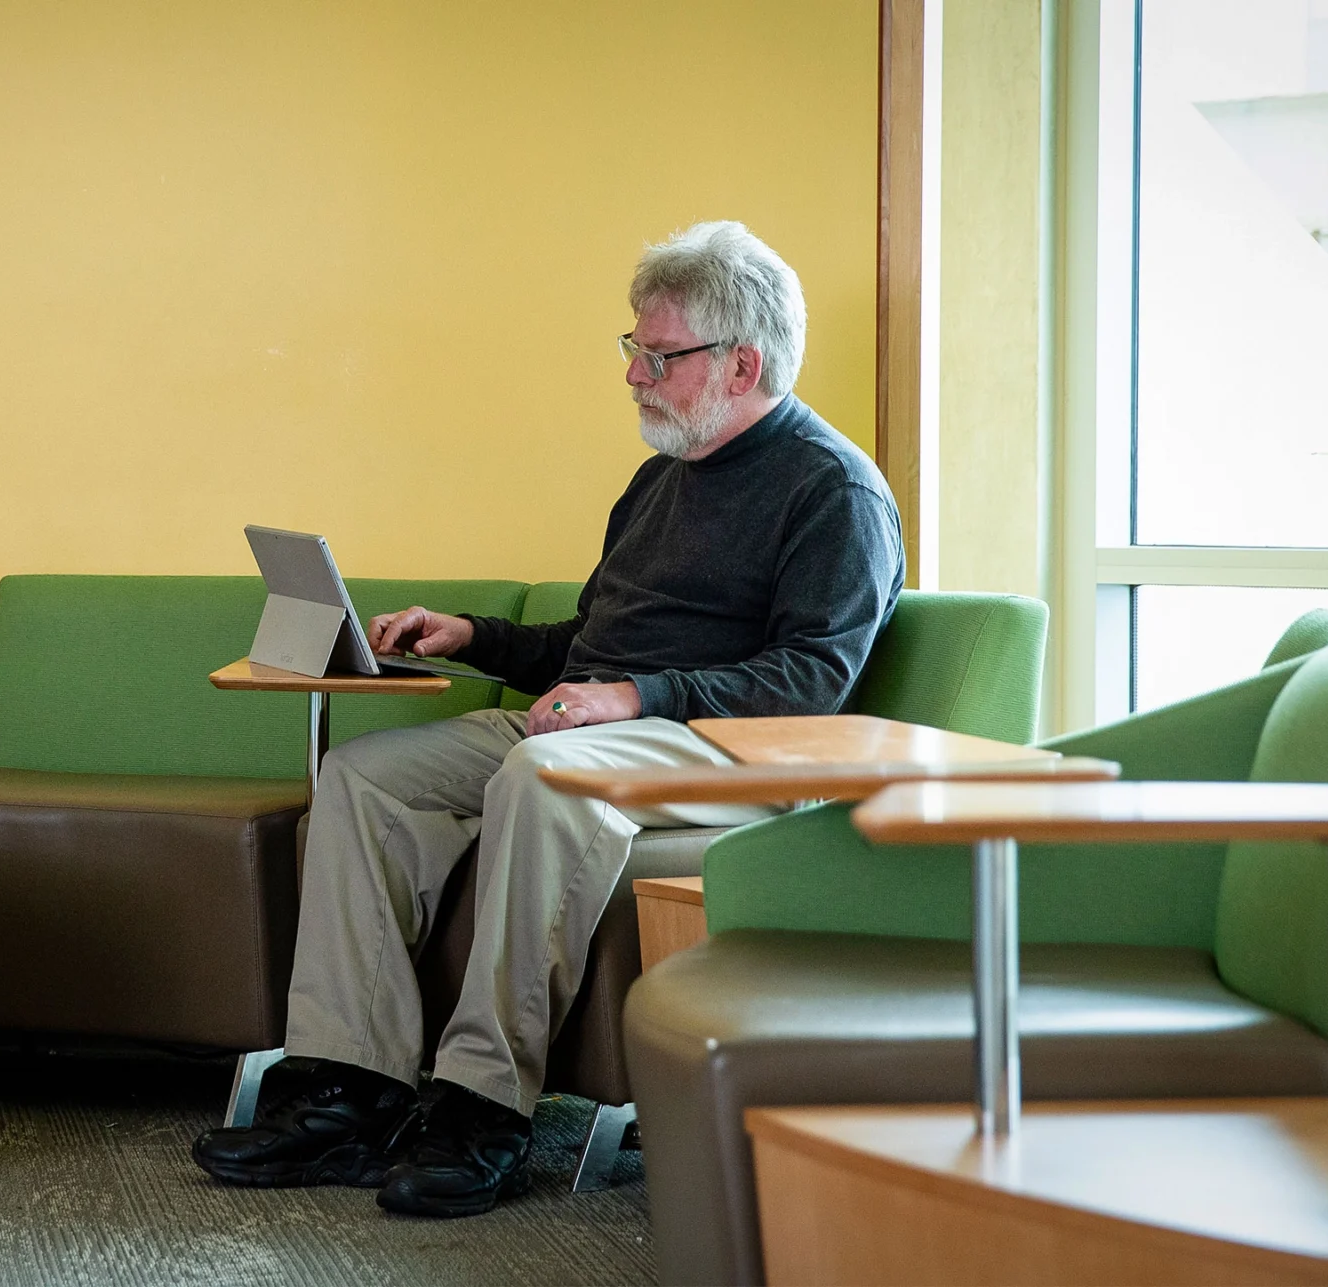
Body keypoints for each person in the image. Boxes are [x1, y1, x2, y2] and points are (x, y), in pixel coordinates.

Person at [189, 221, 905, 1217]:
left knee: (540, 774)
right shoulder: (661, 481)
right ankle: (351, 1087)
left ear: (741, 364)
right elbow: (590, 647)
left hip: (734, 752)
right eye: (633, 350)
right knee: (365, 778)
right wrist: (471, 635)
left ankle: (484, 1107)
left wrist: (634, 698)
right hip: (603, 727)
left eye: (658, 356)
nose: (634, 375)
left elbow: (812, 679)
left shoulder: (832, 489)